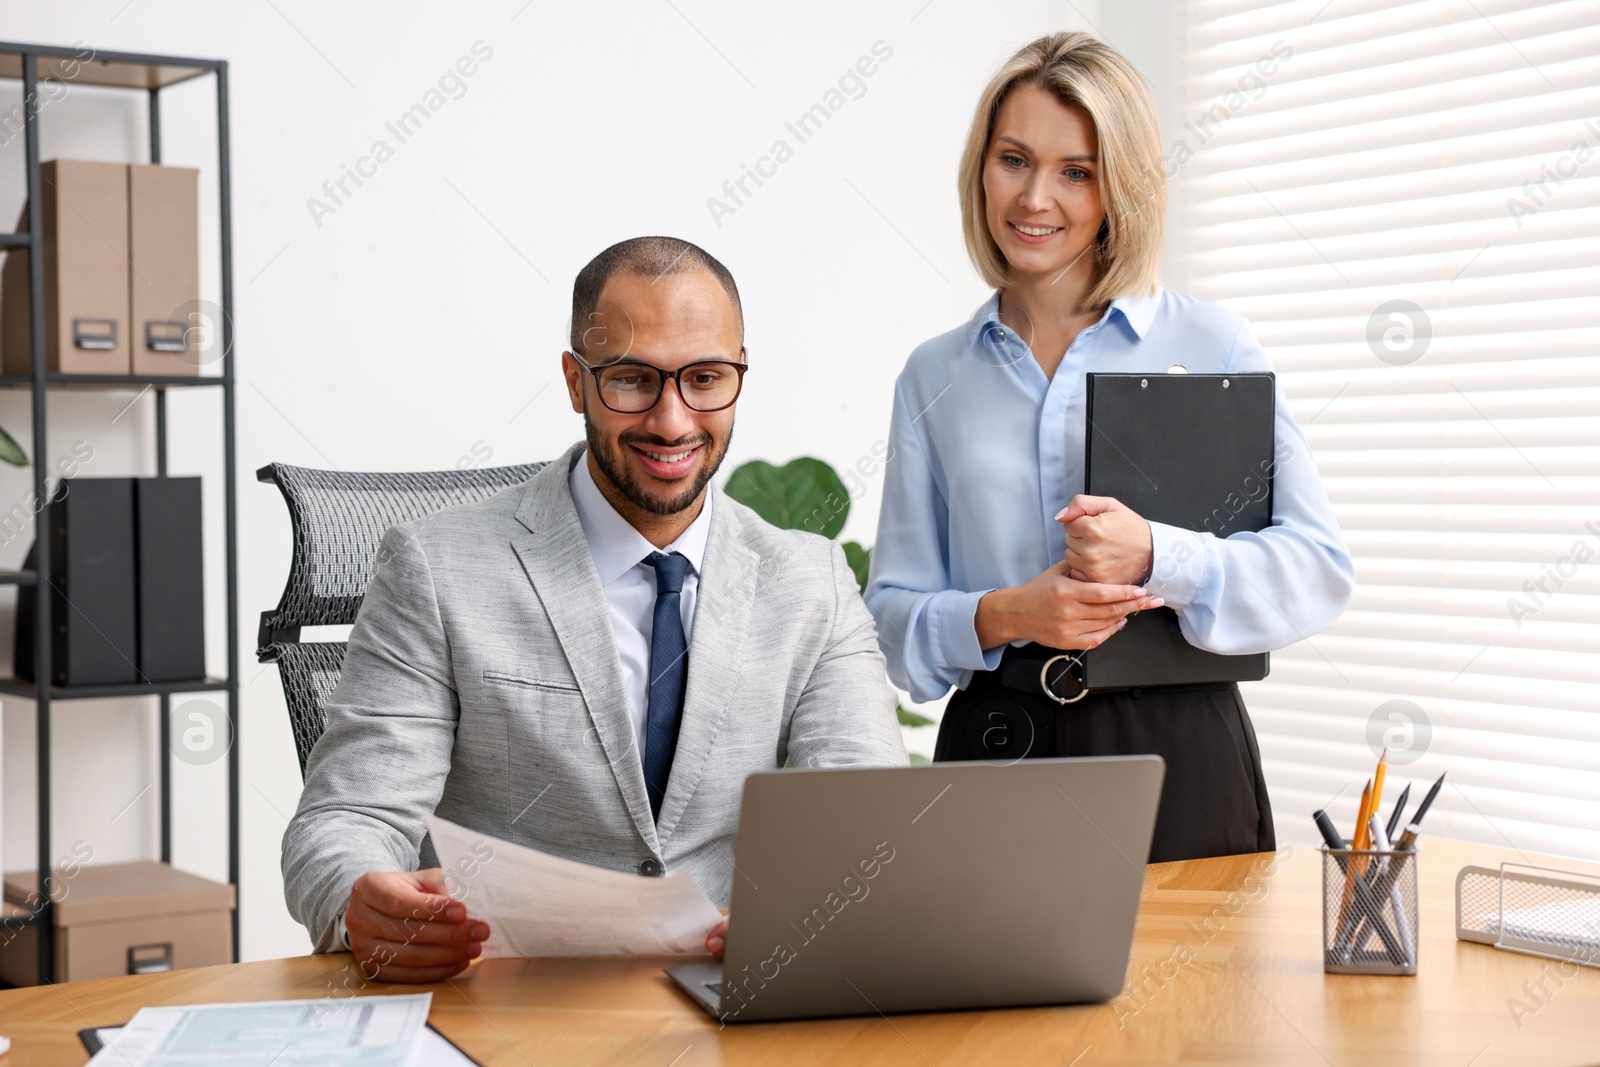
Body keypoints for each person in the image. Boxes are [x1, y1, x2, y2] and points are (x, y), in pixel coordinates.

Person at [283, 236, 907, 982]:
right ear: (576, 382)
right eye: (633, 381)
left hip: (722, 1000)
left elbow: (865, 821)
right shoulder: (437, 567)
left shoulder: (811, 581)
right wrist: (358, 894)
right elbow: (346, 818)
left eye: (705, 378)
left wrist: (813, 912)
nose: (673, 421)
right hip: (505, 997)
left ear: (739, 376)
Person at [865, 33, 1355, 863]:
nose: (1035, 198)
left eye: (1076, 170)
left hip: (1183, 750)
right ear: (981, 168)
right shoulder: (933, 375)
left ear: (1117, 184)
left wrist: (1160, 555)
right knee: (992, 993)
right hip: (997, 739)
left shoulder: (1211, 343)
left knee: (1197, 996)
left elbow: (1316, 570)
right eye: (1013, 159)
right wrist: (1007, 612)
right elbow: (890, 617)